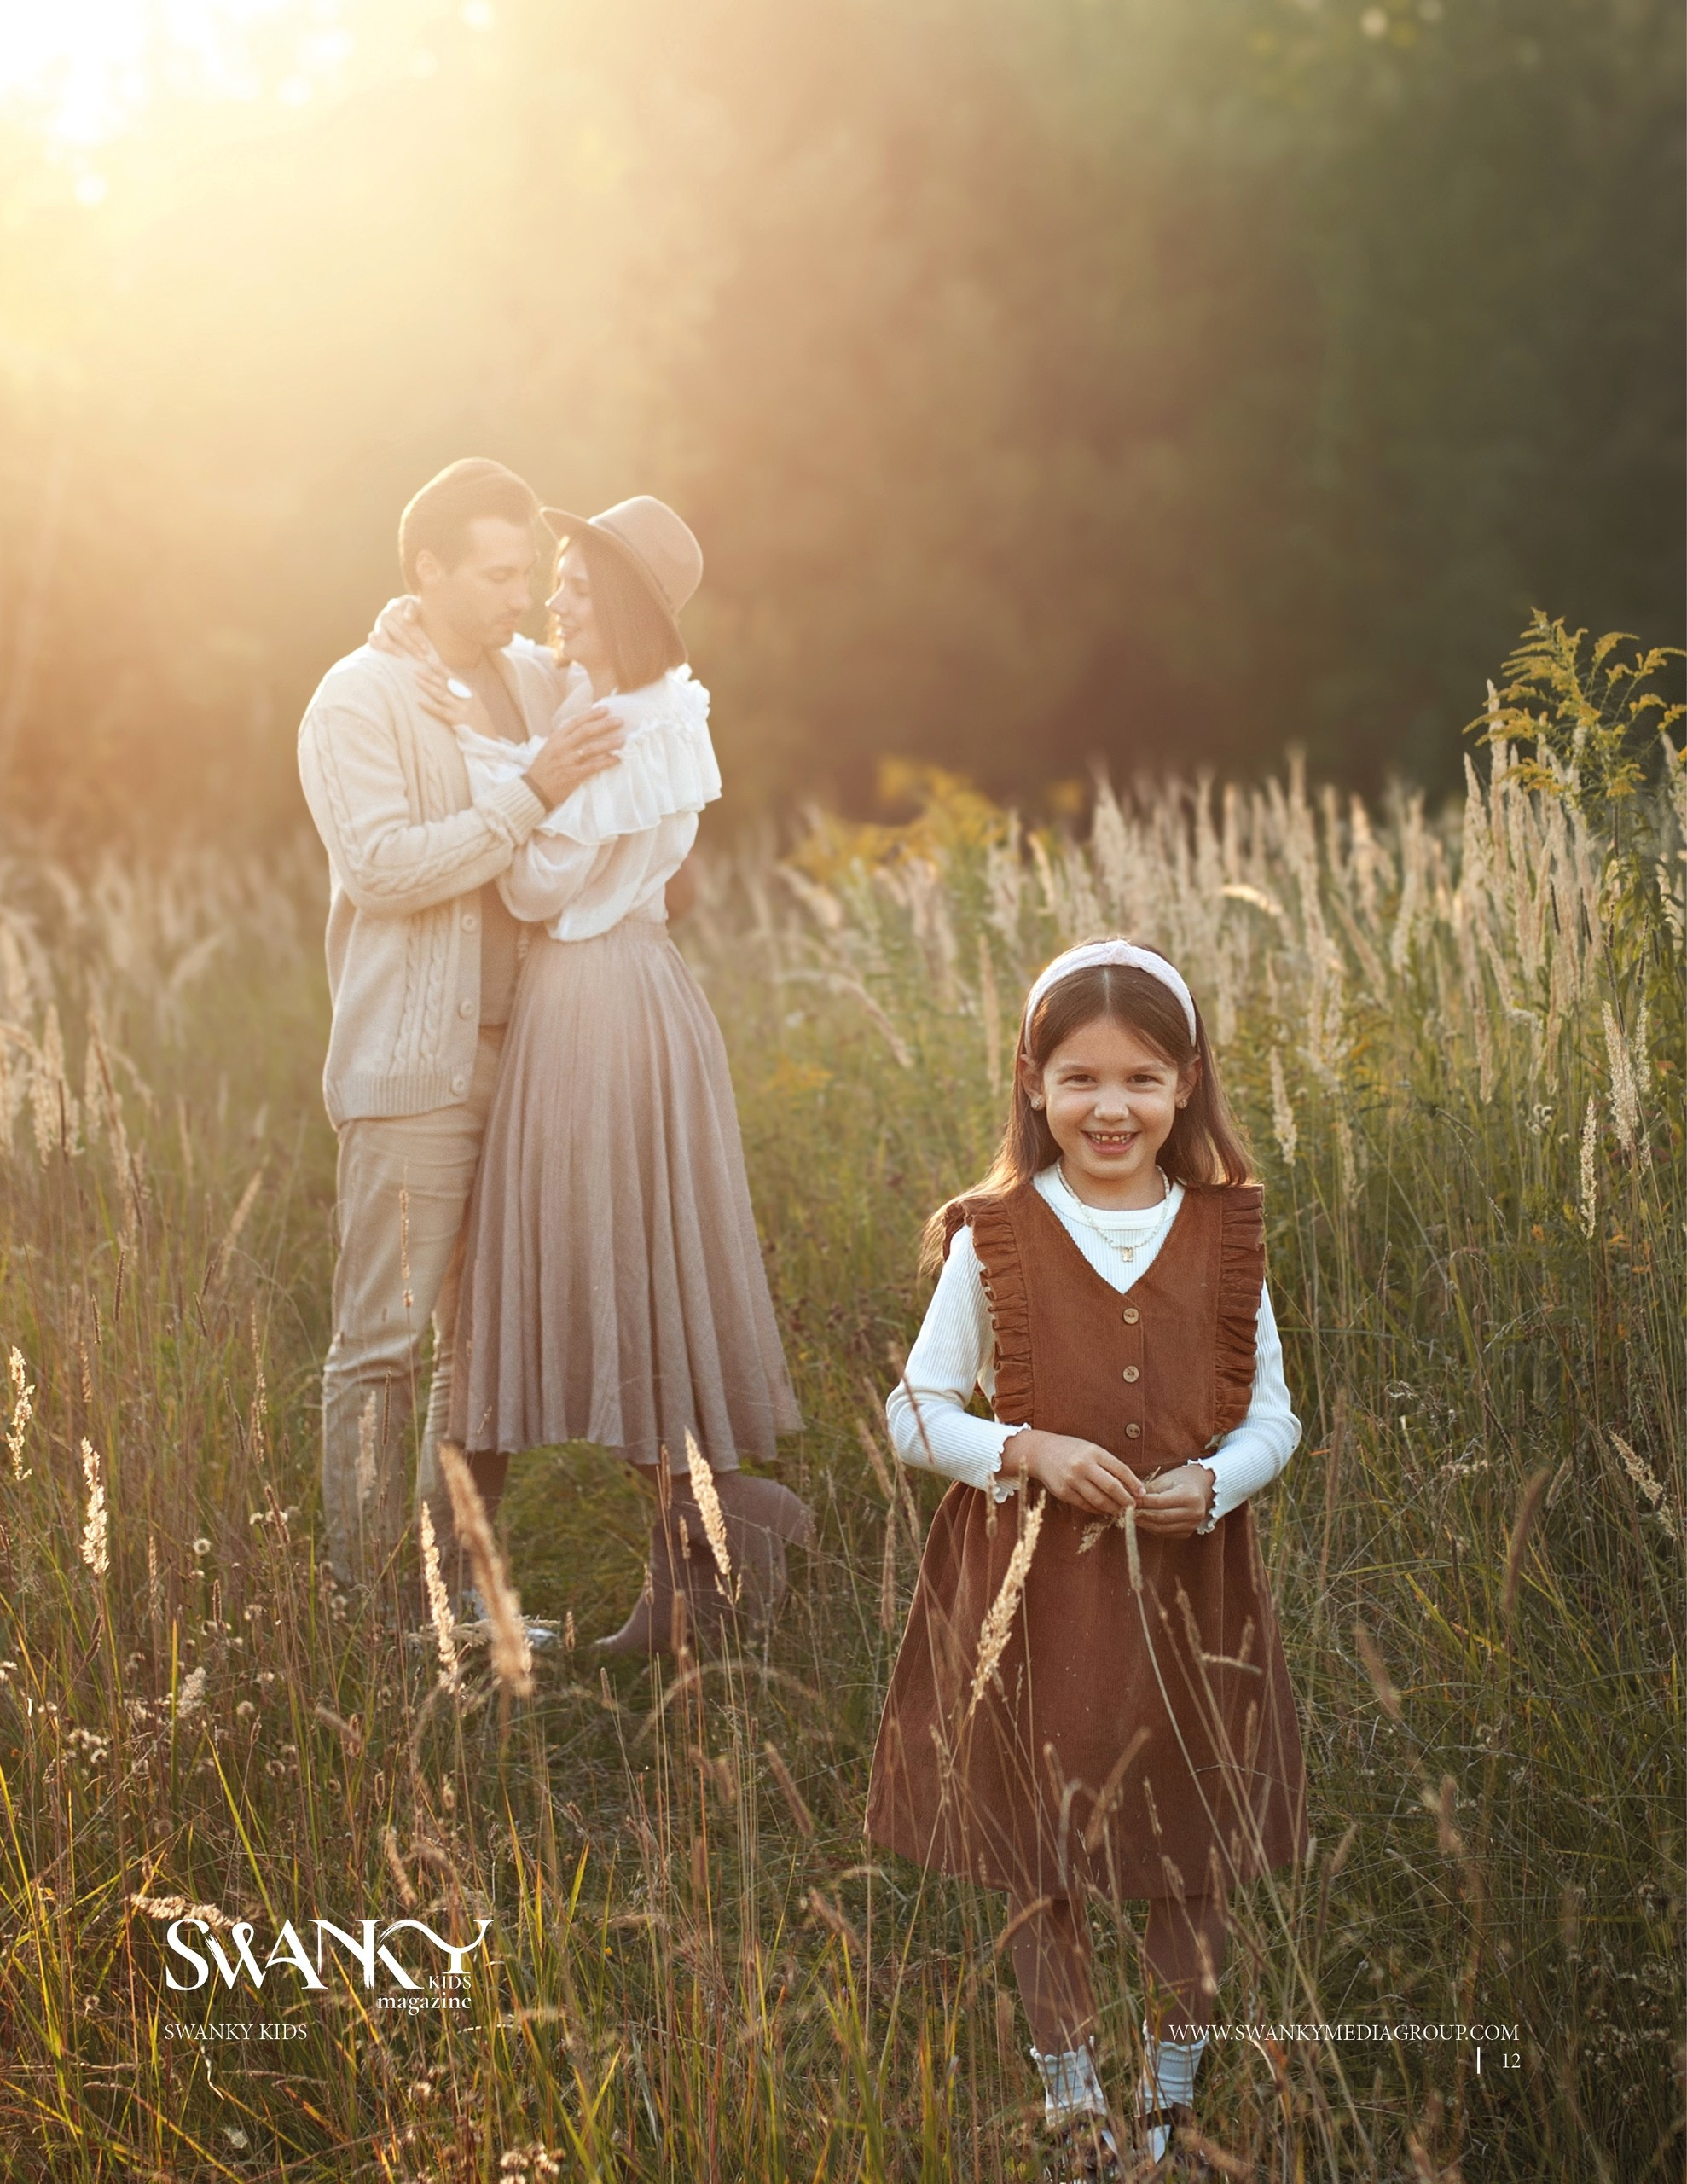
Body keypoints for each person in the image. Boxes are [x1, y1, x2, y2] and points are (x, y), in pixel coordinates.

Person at [865, 940, 1307, 2181]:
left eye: (1141, 1080)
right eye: (1080, 1079)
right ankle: (1075, 2100)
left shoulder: (1223, 1235)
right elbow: (915, 1411)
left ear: (1186, 1085)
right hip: (1034, 1593)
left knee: (1192, 1841)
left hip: (1188, 1593)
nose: (1110, 1108)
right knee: (1038, 1850)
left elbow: (1275, 1417)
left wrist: (1217, 1481)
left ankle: (1169, 2103)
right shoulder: (995, 1238)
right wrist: (1026, 1449)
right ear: (1032, 1082)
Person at [378, 496, 809, 1652]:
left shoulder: (630, 723)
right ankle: (708, 1540)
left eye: (573, 582)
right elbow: (527, 720)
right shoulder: (619, 699)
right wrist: (432, 664)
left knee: (595, 1261)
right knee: (613, 1263)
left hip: (595, 1005)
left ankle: (714, 1527)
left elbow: (533, 886)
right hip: (623, 992)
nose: (552, 602)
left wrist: (500, 778)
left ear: (619, 603)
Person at [297, 457, 627, 1590]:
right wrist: (533, 794)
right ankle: (364, 1615)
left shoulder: (532, 678)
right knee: (380, 1350)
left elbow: (626, 677)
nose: (520, 596)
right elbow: (382, 869)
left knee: (478, 1357)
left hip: (526, 1067)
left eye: (527, 573)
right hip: (410, 1077)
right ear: (425, 570)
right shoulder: (357, 697)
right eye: (495, 575)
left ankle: (450, 1613)